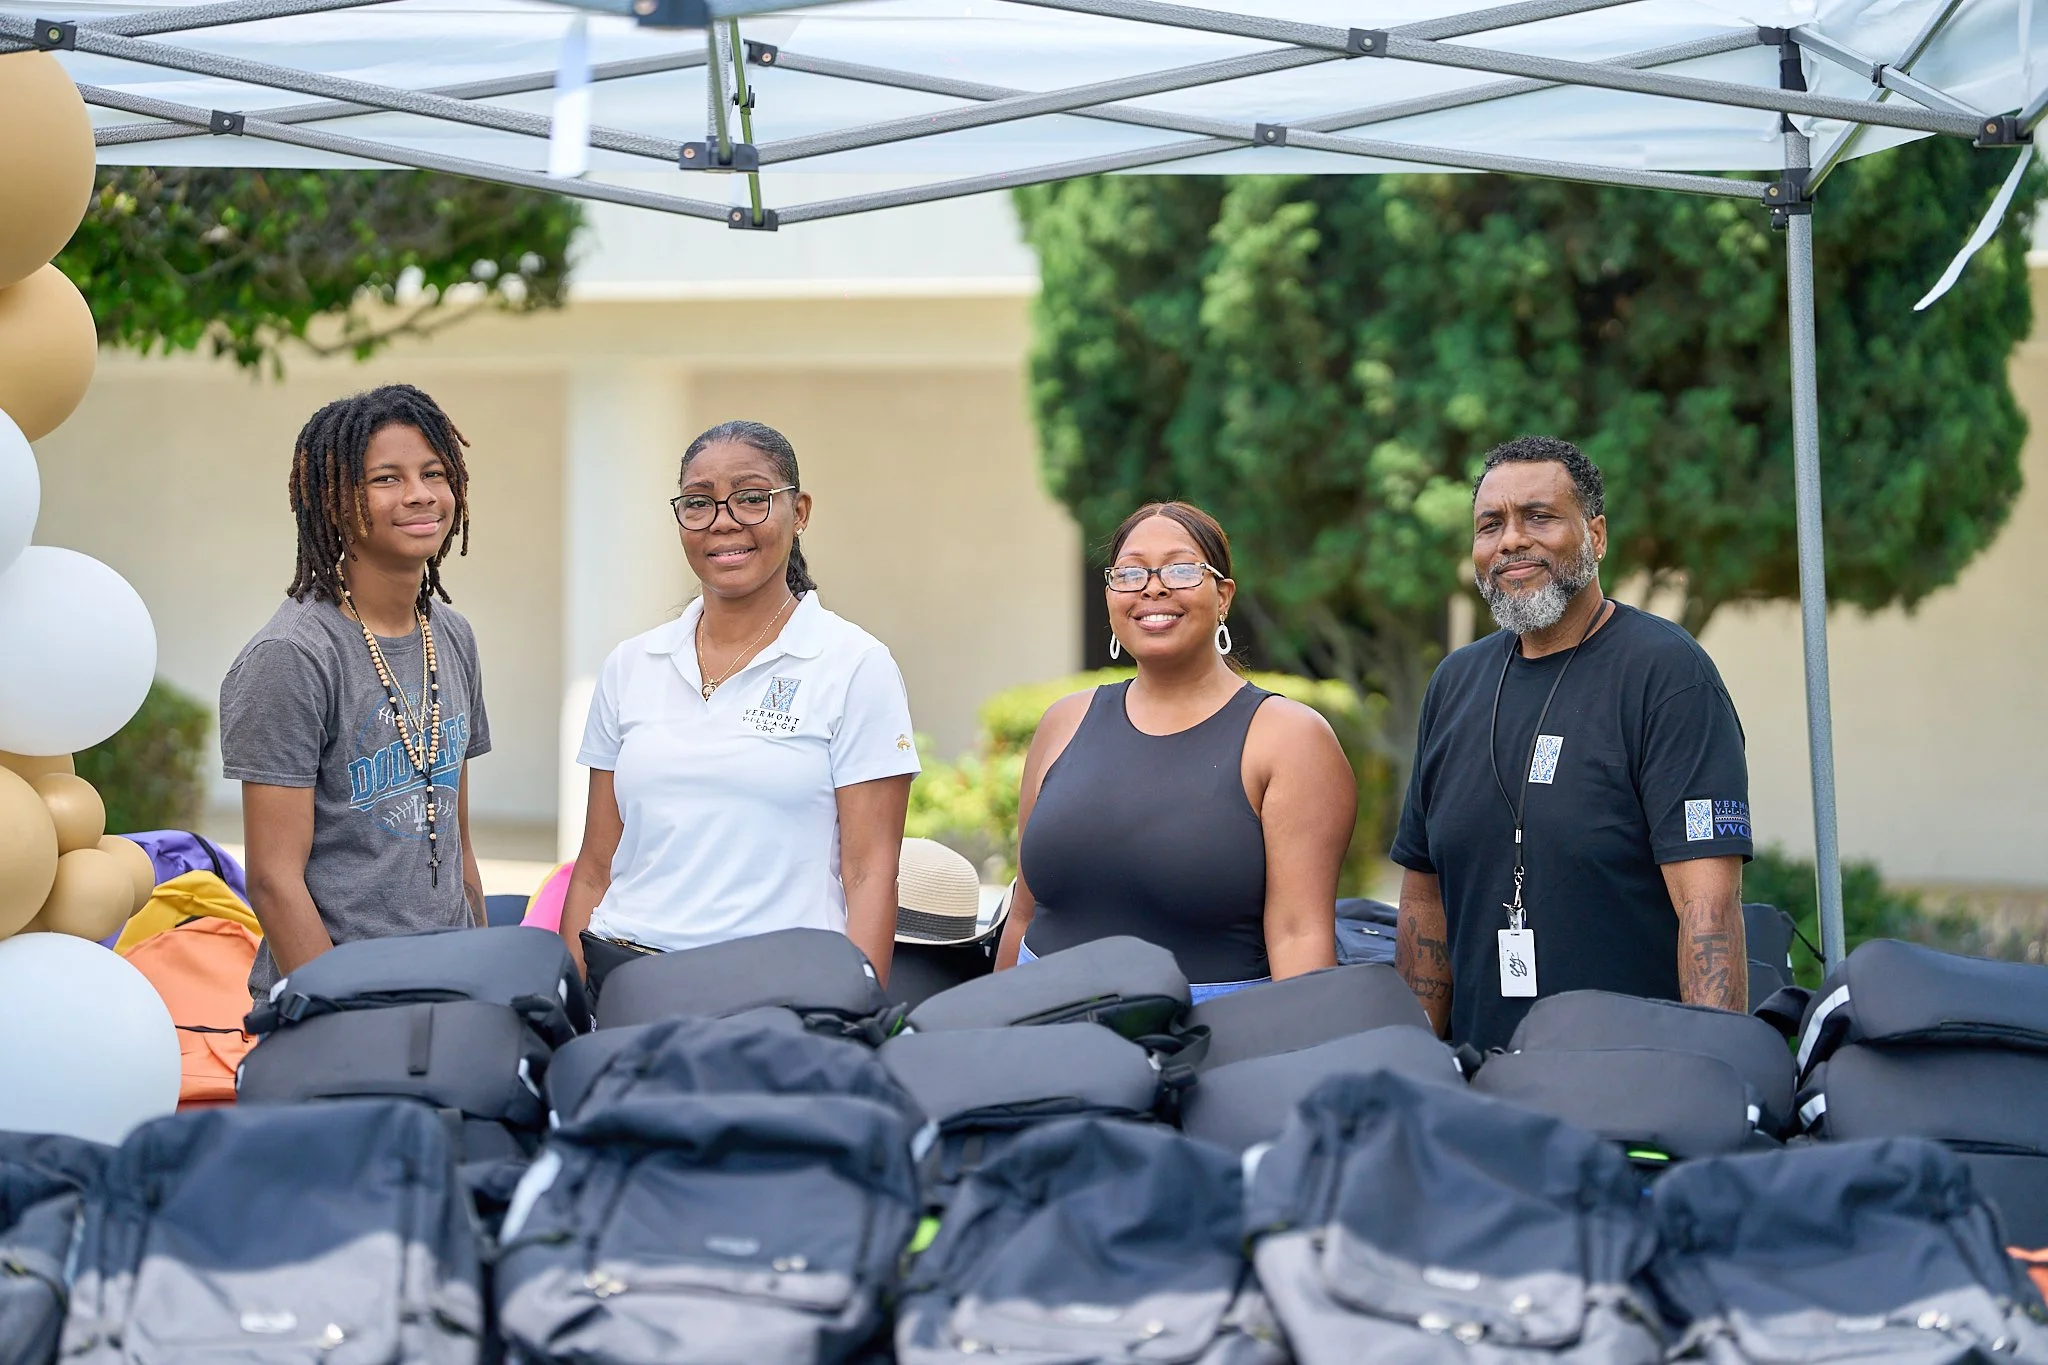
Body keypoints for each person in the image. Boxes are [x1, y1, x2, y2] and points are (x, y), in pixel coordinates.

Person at [1393, 435, 1751, 1051]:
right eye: (1490, 525)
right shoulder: (1455, 683)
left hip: (1628, 1078)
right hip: (1479, 1079)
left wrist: (1714, 1074)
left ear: (1596, 536)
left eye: (1539, 517)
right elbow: (1424, 900)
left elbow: (1709, 914)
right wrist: (1415, 1062)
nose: (1511, 541)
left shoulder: (1667, 675)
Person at [559, 419, 919, 992]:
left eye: (752, 498)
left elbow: (870, 873)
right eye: (699, 502)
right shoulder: (632, 665)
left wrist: (855, 1012)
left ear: (799, 511)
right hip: (626, 981)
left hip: (775, 992)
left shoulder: (854, 665)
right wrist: (567, 1006)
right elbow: (595, 868)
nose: (724, 521)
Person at [996, 502, 1355, 1002]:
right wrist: (988, 1026)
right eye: (1130, 572)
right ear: (1110, 596)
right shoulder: (1063, 721)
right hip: (1041, 1024)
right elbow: (1023, 914)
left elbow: (1300, 938)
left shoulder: (1289, 738)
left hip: (1208, 1037)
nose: (1153, 587)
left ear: (1223, 596)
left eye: (1181, 569)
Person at [220, 384, 491, 1000]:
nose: (420, 494)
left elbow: (455, 839)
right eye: (386, 479)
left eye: (434, 473)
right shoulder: (291, 656)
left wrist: (479, 970)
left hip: (449, 988)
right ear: (336, 501)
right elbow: (273, 881)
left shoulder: (451, 635)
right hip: (338, 1004)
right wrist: (347, 1013)